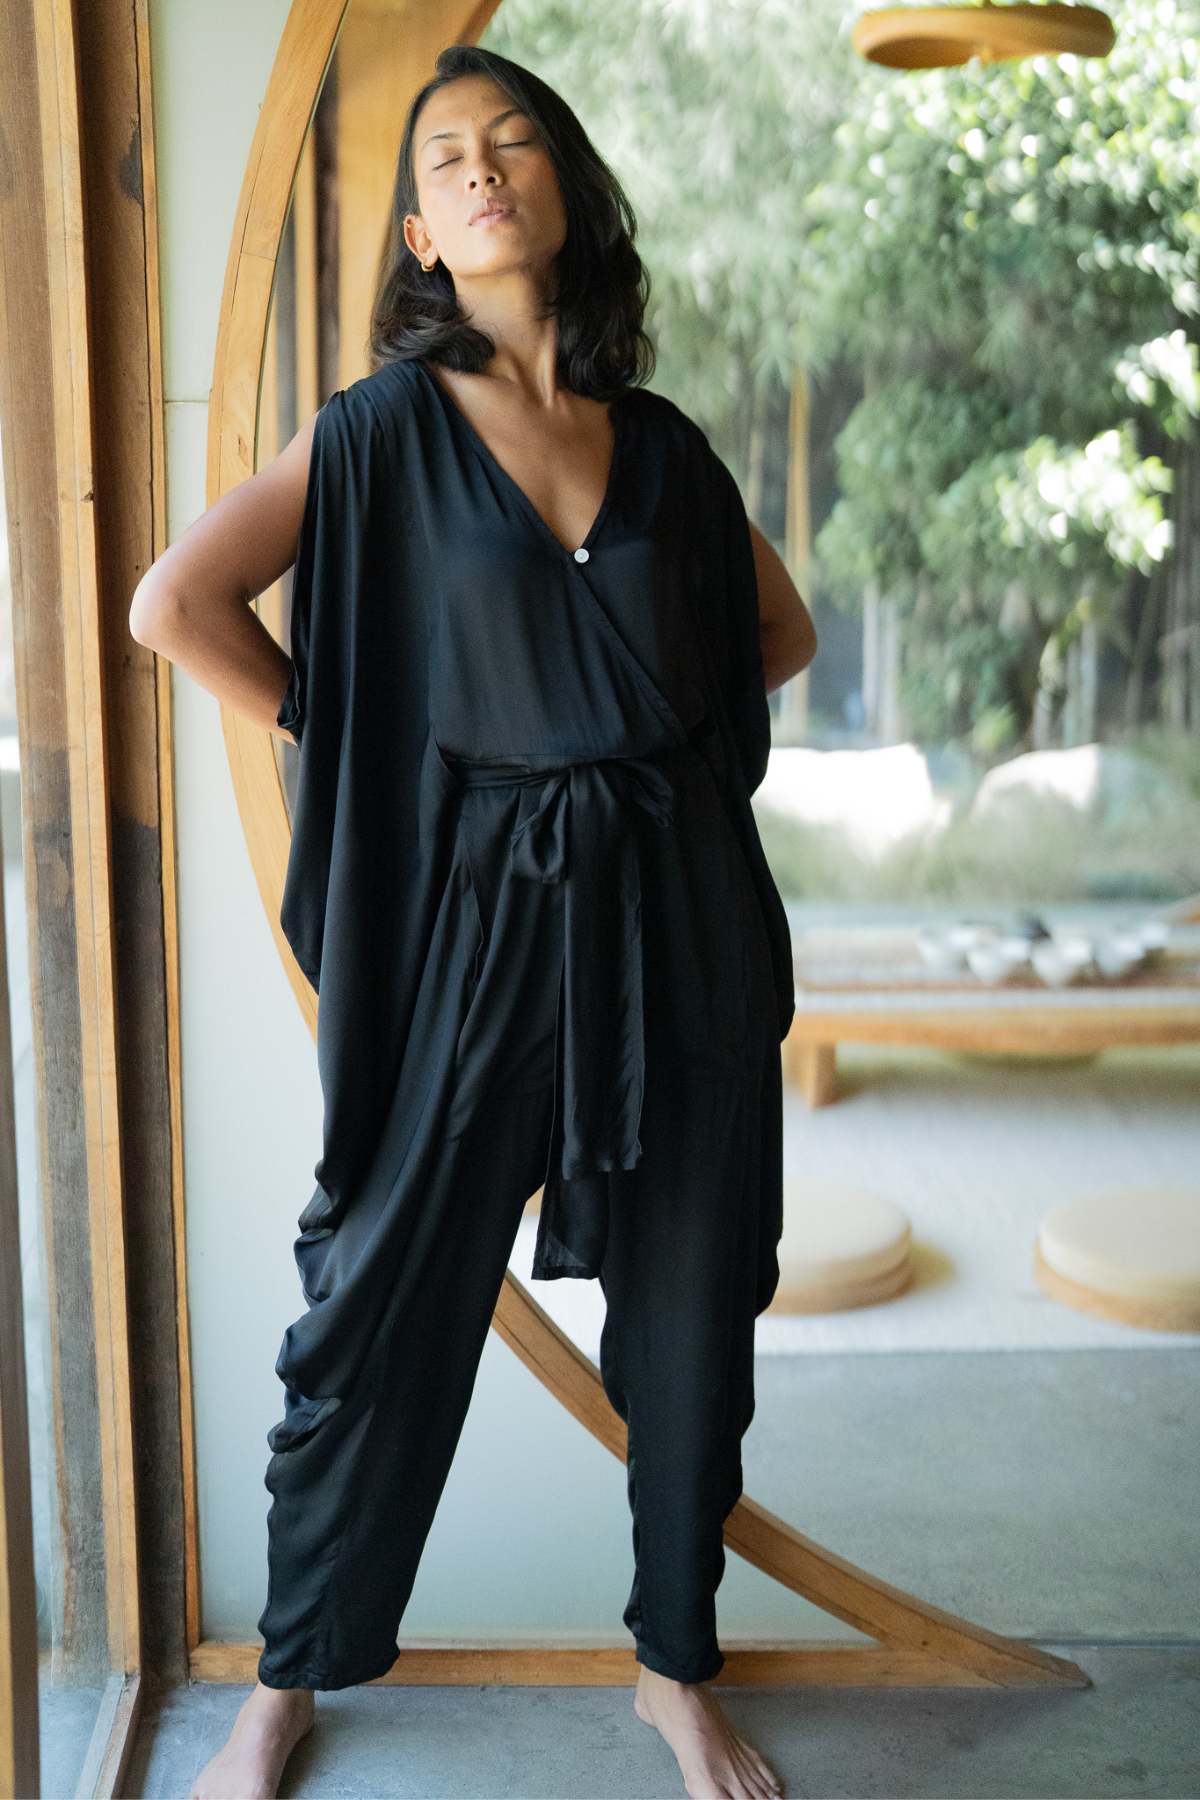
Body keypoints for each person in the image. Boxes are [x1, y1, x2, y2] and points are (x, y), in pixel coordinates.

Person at [131, 42, 816, 1800]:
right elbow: (174, 602)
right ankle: (289, 1681)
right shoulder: (372, 438)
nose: (482, 166)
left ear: (566, 196)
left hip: (678, 922)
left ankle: (674, 1666)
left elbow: (779, 637)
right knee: (378, 1298)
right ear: (423, 239)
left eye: (516, 140)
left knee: (691, 1304)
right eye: (446, 157)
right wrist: (340, 715)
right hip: (472, 933)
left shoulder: (659, 447)